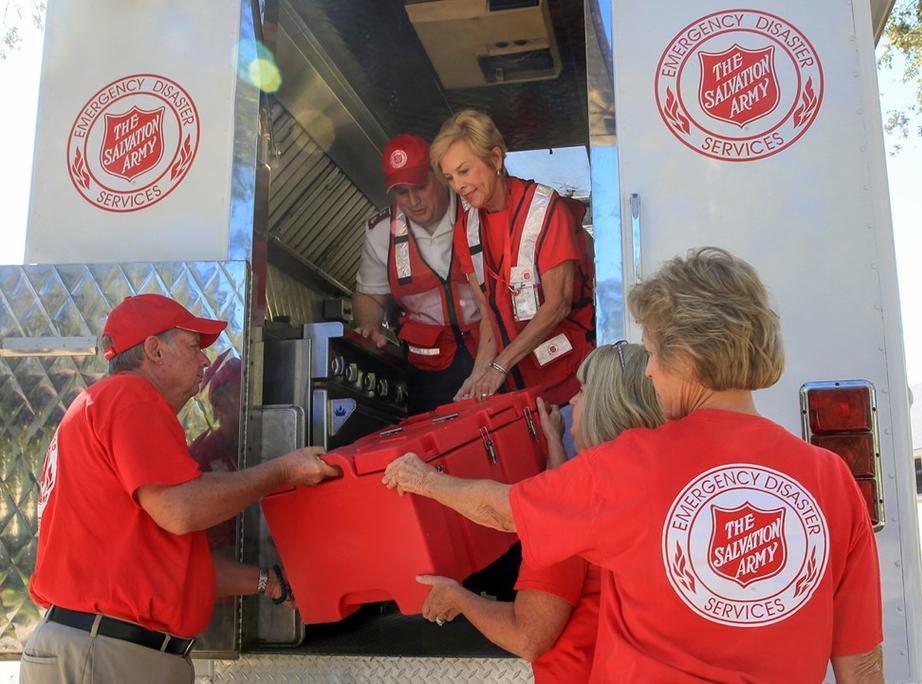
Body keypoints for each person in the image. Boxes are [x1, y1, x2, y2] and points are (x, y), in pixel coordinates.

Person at [383, 248, 885, 683]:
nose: (647, 370)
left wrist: (426, 480)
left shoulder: (635, 462)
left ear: (686, 354)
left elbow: (504, 511)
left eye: (651, 352)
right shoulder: (831, 479)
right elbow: (860, 666)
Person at [21, 294, 339, 684]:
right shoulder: (130, 396)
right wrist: (284, 470)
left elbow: (164, 563)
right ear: (154, 350)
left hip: (99, 646)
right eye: (193, 347)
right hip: (106, 653)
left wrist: (265, 581)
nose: (205, 360)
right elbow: (182, 510)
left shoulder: (101, 407)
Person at [415, 342, 663, 682]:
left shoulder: (576, 506)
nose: (573, 401)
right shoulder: (652, 479)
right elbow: (565, 496)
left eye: (583, 391)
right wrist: (555, 444)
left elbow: (527, 636)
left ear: (605, 406)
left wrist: (458, 598)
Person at [429, 110, 595, 406]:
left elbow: (558, 304)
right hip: (522, 393)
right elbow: (488, 316)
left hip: (573, 387)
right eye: (449, 177)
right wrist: (477, 378)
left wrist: (498, 367)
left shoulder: (544, 209)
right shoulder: (466, 229)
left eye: (464, 171)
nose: (458, 186)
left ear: (495, 159)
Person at [353, 133, 485, 414]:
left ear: (438, 175)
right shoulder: (381, 232)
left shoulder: (475, 211)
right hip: (429, 371)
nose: (413, 201)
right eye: (402, 193)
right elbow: (369, 295)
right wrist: (369, 327)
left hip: (489, 352)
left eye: (420, 187)